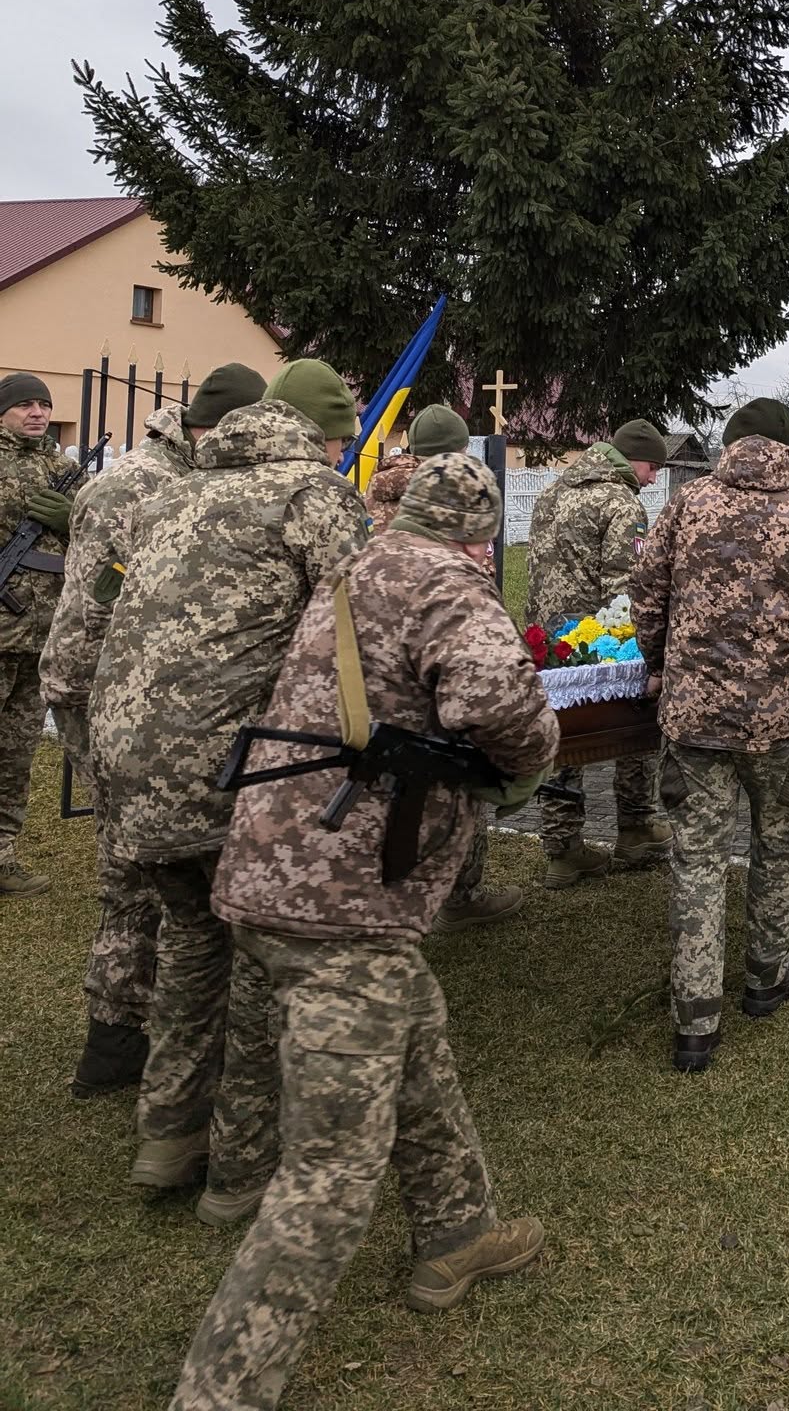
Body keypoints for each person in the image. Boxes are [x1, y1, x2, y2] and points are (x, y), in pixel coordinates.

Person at [171, 455, 559, 1407]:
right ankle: (219, 1392)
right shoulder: (452, 585)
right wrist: (535, 759)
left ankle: (460, 1233)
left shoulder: (356, 569)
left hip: (271, 872)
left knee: (417, 1040)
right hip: (339, 906)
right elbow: (498, 704)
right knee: (329, 1177)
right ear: (482, 536)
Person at [90, 360, 368, 1209]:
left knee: (188, 941)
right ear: (325, 436)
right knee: (258, 954)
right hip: (223, 771)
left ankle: (168, 1135)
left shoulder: (173, 491)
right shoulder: (312, 497)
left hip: (129, 767)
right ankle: (242, 1167)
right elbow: (363, 624)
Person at [630, 398, 789, 1072]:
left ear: (734, 441)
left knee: (697, 861)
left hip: (694, 722)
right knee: (777, 849)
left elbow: (646, 588)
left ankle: (695, 1017)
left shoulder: (687, 507)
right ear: (786, 445)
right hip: (778, 723)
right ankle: (766, 975)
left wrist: (657, 664)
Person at [38, 363, 265, 1096]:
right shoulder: (141, 488)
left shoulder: (162, 478)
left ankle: (117, 1046)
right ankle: (125, 1042)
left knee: (139, 873)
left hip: (122, 698)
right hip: (115, 699)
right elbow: (100, 603)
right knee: (139, 877)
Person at [367, 404, 521, 931]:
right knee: (458, 770)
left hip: (379, 669)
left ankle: (390, 886)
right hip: (446, 657)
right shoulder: (455, 501)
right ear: (458, 450)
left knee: (387, 784)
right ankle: (459, 893)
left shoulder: (377, 494)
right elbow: (476, 584)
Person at [526, 418, 674, 886]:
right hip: (600, 642)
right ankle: (636, 826)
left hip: (550, 643)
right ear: (634, 459)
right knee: (635, 728)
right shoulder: (620, 502)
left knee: (559, 741)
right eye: (652, 467)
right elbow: (626, 588)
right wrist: (645, 644)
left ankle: (562, 849)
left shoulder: (553, 492)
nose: (653, 478)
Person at [0, 373, 73, 897]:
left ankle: (2, 856)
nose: (37, 413)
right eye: (24, 404)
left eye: (44, 405)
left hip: (40, 635)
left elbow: (103, 534)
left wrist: (74, 521)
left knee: (16, 753)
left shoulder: (62, 467)